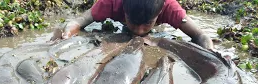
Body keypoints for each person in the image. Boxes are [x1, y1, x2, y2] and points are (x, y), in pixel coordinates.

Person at [50, 0, 213, 50]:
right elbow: (79, 21)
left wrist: (211, 53)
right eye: (133, 23)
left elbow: (201, 35)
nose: (139, 31)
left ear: (160, 12)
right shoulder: (111, 3)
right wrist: (66, 35)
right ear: (123, 11)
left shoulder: (170, 8)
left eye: (147, 24)